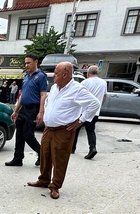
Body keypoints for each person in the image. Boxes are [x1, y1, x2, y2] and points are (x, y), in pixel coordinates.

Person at [26, 62, 100, 199]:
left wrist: (81, 120)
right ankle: (43, 180)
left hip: (63, 130)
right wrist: (44, 113)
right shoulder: (54, 87)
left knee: (59, 159)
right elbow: (49, 101)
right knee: (45, 155)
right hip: (49, 129)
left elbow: (94, 103)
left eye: (56, 72)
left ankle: (55, 186)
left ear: (65, 74)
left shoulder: (77, 89)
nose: (54, 75)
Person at [6, 54, 48, 167]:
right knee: (19, 135)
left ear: (36, 62)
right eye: (25, 63)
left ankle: (41, 153)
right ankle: (18, 158)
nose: (26, 65)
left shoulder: (41, 76)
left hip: (33, 109)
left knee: (28, 135)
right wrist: (15, 111)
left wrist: (41, 112)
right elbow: (22, 95)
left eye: (29, 63)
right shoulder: (26, 76)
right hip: (23, 109)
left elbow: (43, 95)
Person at [71, 65, 107, 159]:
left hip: (82, 111)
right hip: (95, 112)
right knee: (90, 131)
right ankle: (92, 148)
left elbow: (79, 96)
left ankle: (72, 148)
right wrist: (98, 107)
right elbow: (104, 96)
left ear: (88, 73)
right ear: (97, 73)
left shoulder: (84, 82)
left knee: (75, 129)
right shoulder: (103, 83)